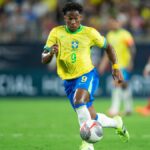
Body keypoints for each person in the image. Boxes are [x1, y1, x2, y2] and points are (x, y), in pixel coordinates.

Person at [41, 2, 129, 150]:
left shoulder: (90, 33)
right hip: (68, 80)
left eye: (76, 18)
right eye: (70, 19)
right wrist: (50, 53)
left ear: (80, 17)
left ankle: (88, 144)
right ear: (65, 18)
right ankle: (116, 123)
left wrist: (115, 66)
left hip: (87, 74)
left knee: (79, 100)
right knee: (91, 116)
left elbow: (108, 47)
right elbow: (44, 59)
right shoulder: (56, 32)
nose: (73, 22)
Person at [99, 17, 136, 116]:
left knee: (117, 84)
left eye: (113, 23)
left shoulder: (125, 34)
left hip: (123, 64)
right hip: (115, 65)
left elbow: (132, 48)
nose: (111, 25)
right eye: (110, 23)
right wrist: (103, 65)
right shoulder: (109, 35)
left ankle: (114, 109)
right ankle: (128, 109)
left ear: (118, 23)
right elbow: (108, 52)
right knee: (124, 85)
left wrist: (130, 62)